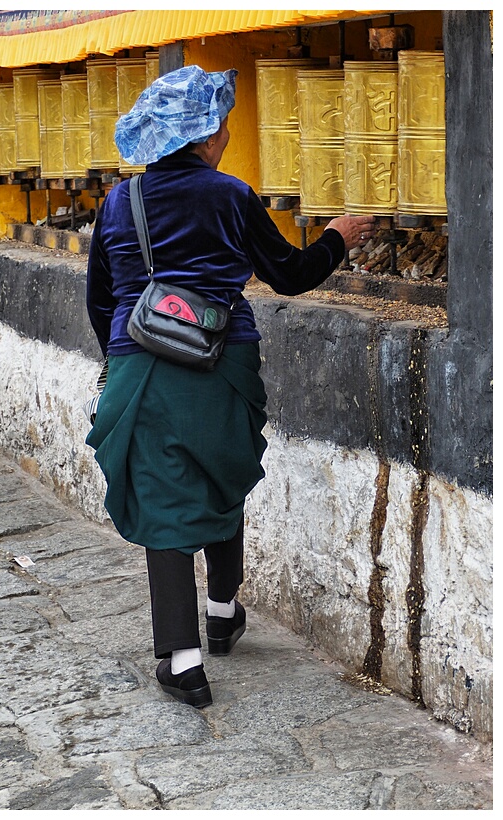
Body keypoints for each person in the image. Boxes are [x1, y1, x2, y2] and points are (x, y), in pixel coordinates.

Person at [85, 65, 374, 708]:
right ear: (208, 133)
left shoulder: (117, 202)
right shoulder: (231, 194)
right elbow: (291, 275)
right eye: (222, 126)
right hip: (224, 360)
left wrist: (127, 363)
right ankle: (221, 610)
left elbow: (101, 298)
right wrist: (338, 237)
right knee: (221, 473)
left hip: (139, 361)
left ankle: (183, 662)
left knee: (166, 501)